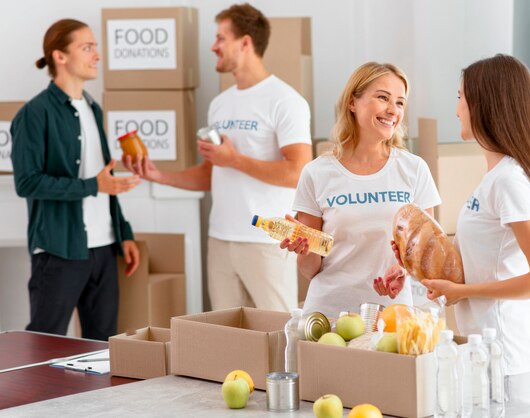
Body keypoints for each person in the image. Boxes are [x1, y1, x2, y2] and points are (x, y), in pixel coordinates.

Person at [377, 54, 530, 406]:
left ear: (484, 104)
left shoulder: (509, 181)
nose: (457, 109)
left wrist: (463, 291)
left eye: (460, 97)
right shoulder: (496, 177)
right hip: (491, 343)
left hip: (511, 350)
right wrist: (413, 261)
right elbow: (482, 256)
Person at [124, 3, 312, 312]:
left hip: (267, 243)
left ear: (246, 42)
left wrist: (235, 159)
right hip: (220, 240)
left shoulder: (286, 101)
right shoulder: (220, 105)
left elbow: (298, 172)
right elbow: (211, 173)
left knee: (278, 339)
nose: (214, 46)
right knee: (224, 339)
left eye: (221, 38)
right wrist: (159, 176)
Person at [11, 19, 141, 341]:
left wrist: (123, 232)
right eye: (87, 47)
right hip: (58, 250)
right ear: (60, 56)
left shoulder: (93, 110)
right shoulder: (35, 113)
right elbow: (27, 183)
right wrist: (92, 186)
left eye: (95, 47)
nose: (97, 55)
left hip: (104, 248)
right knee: (45, 342)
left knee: (103, 345)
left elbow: (104, 177)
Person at [281, 62, 441, 318]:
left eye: (400, 103)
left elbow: (427, 255)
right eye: (382, 98)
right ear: (352, 103)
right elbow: (310, 270)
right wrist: (304, 248)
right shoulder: (317, 172)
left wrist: (404, 272)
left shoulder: (414, 169)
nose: (393, 110)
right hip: (329, 316)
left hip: (392, 316)